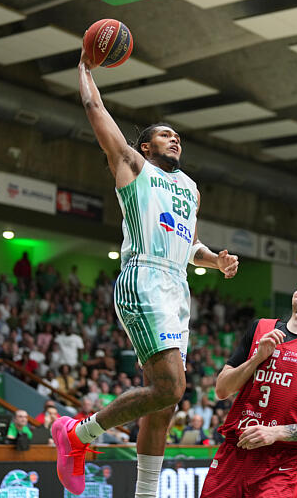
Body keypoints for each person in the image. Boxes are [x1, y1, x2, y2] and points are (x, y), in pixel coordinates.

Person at [51, 50, 240, 497]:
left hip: (177, 285)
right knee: (171, 387)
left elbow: (188, 245)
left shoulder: (190, 188)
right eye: (165, 135)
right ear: (146, 147)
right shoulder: (133, 168)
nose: (175, 140)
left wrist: (214, 260)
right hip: (143, 278)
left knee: (165, 404)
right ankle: (77, 434)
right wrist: (85, 69)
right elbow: (95, 108)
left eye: (178, 137)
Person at [199, 272, 297, 498]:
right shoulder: (260, 328)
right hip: (235, 451)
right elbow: (222, 389)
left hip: (281, 461)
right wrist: (256, 358)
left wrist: (276, 432)